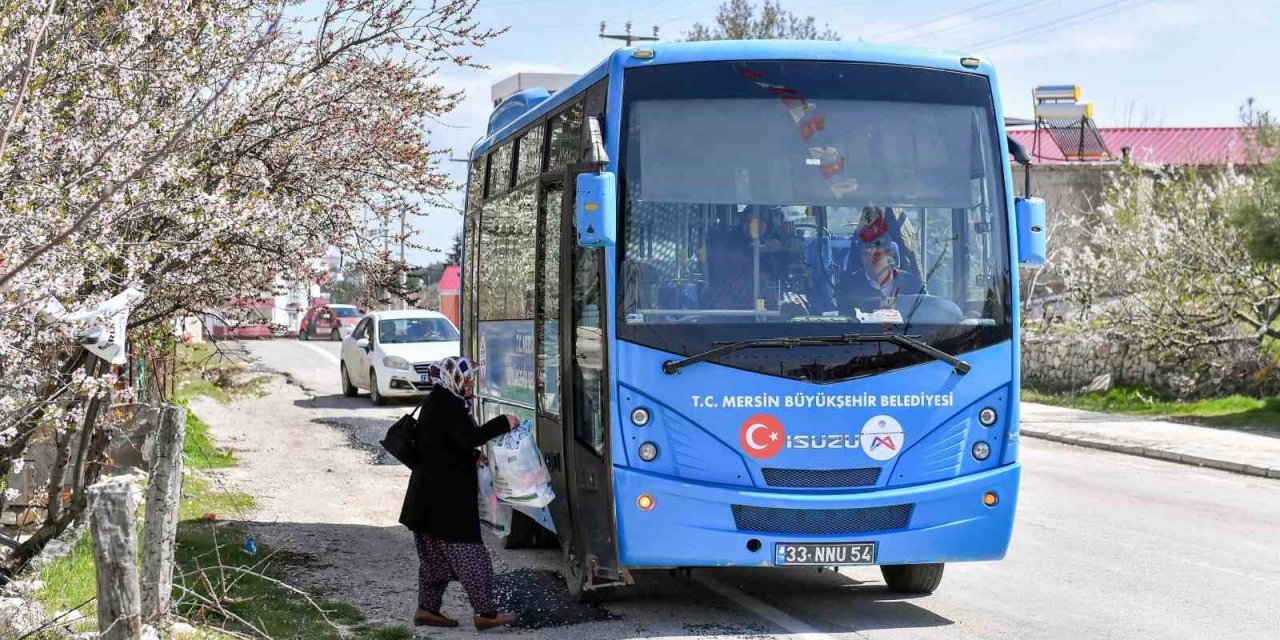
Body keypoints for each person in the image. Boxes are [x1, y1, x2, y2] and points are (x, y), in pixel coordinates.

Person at [398, 356, 519, 631]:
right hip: (446, 502)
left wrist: (473, 456)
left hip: (425, 499)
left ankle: (427, 610)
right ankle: (486, 614)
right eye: (467, 379)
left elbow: (443, 444)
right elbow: (468, 437)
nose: (470, 383)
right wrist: (504, 422)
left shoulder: (438, 400)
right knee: (472, 557)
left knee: (434, 561)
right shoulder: (449, 404)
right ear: (454, 378)